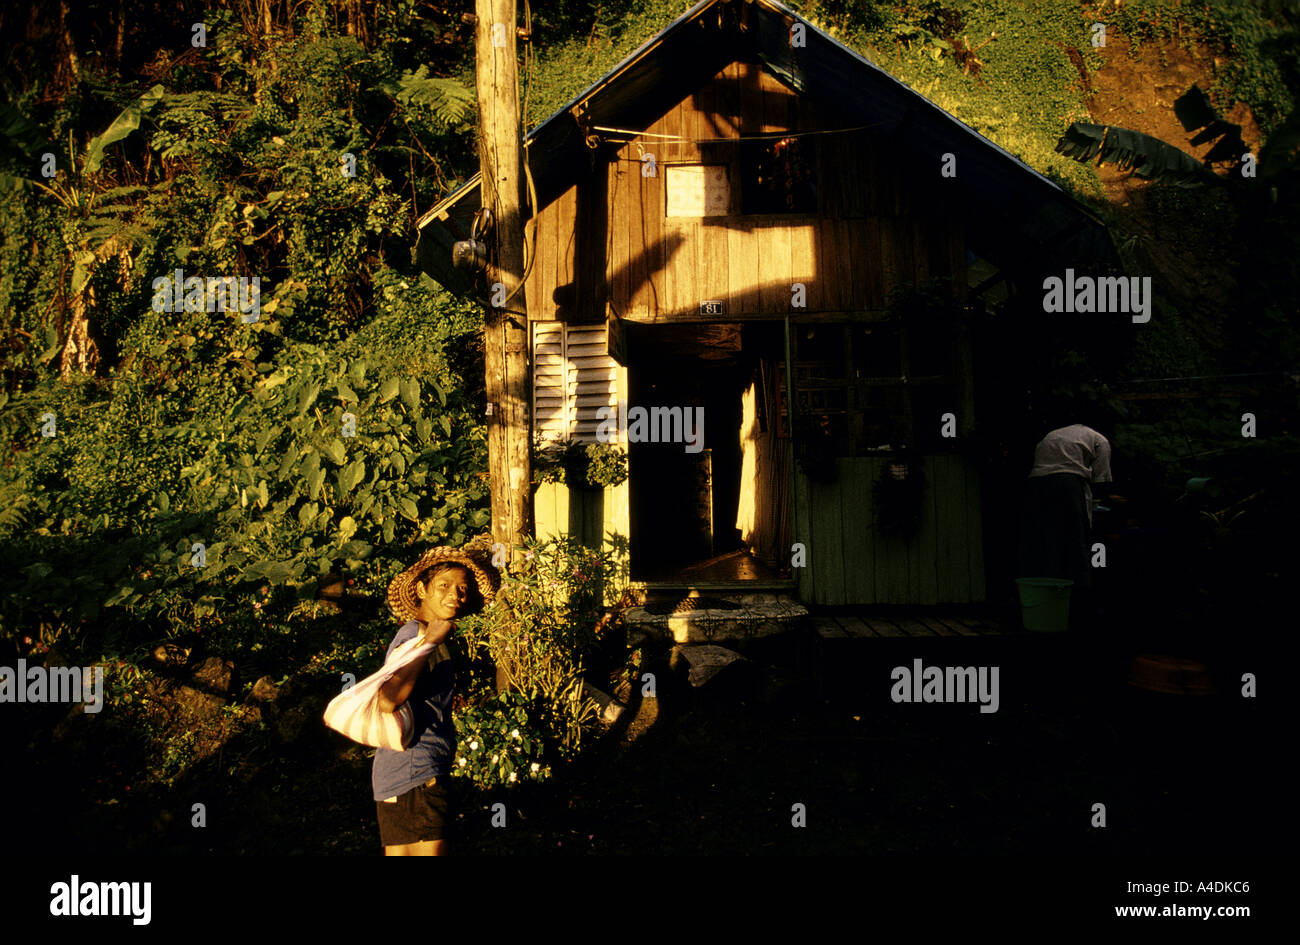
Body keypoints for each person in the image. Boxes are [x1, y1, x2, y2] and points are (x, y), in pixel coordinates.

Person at [372, 542, 499, 856]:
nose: (455, 594)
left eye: (462, 588)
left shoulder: (415, 634)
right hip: (419, 773)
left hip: (398, 774)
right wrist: (429, 643)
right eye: (444, 585)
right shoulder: (418, 636)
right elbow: (387, 699)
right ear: (420, 589)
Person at [1018, 422, 1117, 604]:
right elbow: (1102, 480)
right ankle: (1081, 592)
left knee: (1045, 539)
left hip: (1036, 483)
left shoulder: (1053, 435)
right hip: (1067, 484)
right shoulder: (1100, 440)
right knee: (1076, 537)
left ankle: (1045, 588)